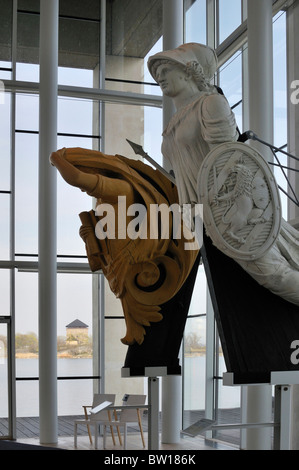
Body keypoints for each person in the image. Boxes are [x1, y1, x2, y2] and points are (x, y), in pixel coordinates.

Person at [148, 42, 299, 307]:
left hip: (226, 214)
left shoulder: (210, 104)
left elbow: (231, 162)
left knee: (274, 275)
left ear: (188, 70)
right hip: (196, 217)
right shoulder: (173, 123)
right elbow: (189, 172)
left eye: (165, 68)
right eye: (156, 71)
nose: (159, 75)